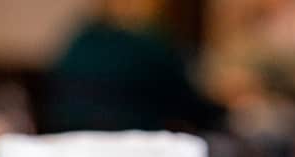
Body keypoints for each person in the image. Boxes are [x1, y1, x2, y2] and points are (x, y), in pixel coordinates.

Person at [45, 0, 223, 134]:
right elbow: (193, 107)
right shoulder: (148, 46)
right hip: (132, 149)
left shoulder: (81, 39)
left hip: (72, 146)